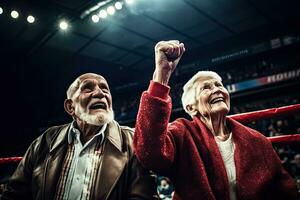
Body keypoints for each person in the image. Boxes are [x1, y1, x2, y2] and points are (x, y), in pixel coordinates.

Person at [133, 40, 298, 200]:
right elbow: (149, 153)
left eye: (219, 85)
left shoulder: (256, 140)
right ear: (191, 108)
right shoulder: (181, 133)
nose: (217, 90)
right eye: (206, 88)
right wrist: (162, 75)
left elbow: (285, 189)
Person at [3, 73, 158, 200]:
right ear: (70, 107)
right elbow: (14, 194)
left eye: (105, 89)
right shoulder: (46, 140)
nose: (99, 93)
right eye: (87, 88)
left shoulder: (132, 140)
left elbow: (144, 197)